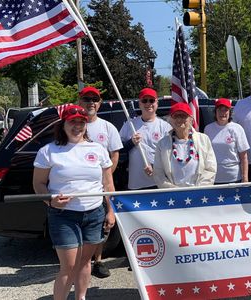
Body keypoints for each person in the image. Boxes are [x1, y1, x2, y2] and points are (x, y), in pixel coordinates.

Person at [32, 105, 115, 300]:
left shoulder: (98, 149)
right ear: (63, 125)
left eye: (81, 122)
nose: (77, 126)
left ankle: (81, 297)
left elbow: (108, 184)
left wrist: (110, 211)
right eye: (72, 122)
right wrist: (51, 202)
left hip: (94, 213)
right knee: (68, 266)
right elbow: (39, 184)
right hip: (63, 216)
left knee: (85, 262)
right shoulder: (48, 151)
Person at [77, 86, 123, 279]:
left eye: (94, 100)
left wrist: (106, 177)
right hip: (78, 186)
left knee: (101, 224)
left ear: (100, 103)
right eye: (87, 99)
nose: (91, 103)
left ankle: (98, 260)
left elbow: (115, 154)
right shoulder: (74, 124)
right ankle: (79, 263)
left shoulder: (107, 127)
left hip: (102, 185)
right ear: (80, 102)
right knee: (78, 223)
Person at [153, 102, 216, 187]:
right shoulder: (162, 144)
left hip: (199, 194)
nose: (179, 119)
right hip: (174, 196)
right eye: (175, 116)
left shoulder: (203, 139)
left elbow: (210, 169)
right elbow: (158, 173)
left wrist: (199, 189)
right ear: (170, 120)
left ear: (191, 119)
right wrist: (175, 191)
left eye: (183, 116)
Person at [120, 88, 172, 189]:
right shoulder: (130, 125)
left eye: (151, 100)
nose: (148, 104)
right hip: (136, 183)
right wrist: (130, 143)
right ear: (139, 104)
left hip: (159, 182)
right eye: (144, 101)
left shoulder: (165, 127)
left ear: (157, 103)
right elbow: (117, 150)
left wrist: (156, 168)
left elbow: (170, 155)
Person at [204, 98, 250, 184]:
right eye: (220, 110)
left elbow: (244, 157)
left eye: (225, 110)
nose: (223, 113)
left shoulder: (237, 128)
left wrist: (245, 178)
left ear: (230, 112)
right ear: (215, 112)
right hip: (213, 178)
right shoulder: (208, 129)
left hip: (234, 178)